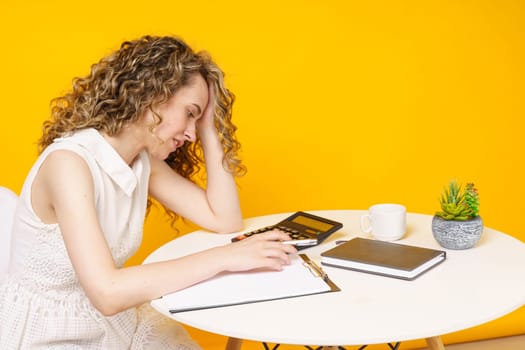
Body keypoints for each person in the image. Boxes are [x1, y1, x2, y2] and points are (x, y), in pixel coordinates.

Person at [0, 35, 296, 349]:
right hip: (51, 334)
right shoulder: (69, 164)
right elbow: (107, 293)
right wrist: (226, 257)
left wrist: (210, 125)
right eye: (190, 113)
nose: (190, 133)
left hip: (112, 323)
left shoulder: (141, 164)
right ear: (153, 95)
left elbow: (225, 219)